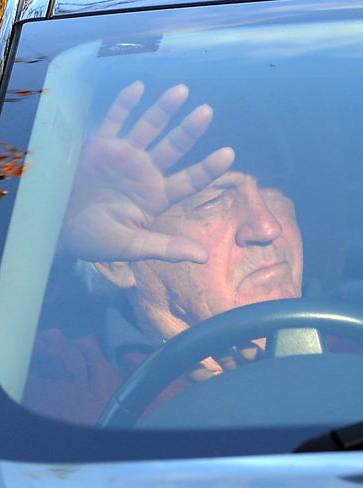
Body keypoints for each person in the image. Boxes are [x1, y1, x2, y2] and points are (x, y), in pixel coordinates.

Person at [24, 81, 305, 424]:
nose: (267, 227)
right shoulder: (68, 388)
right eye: (212, 199)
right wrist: (51, 241)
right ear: (117, 262)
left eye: (273, 185)